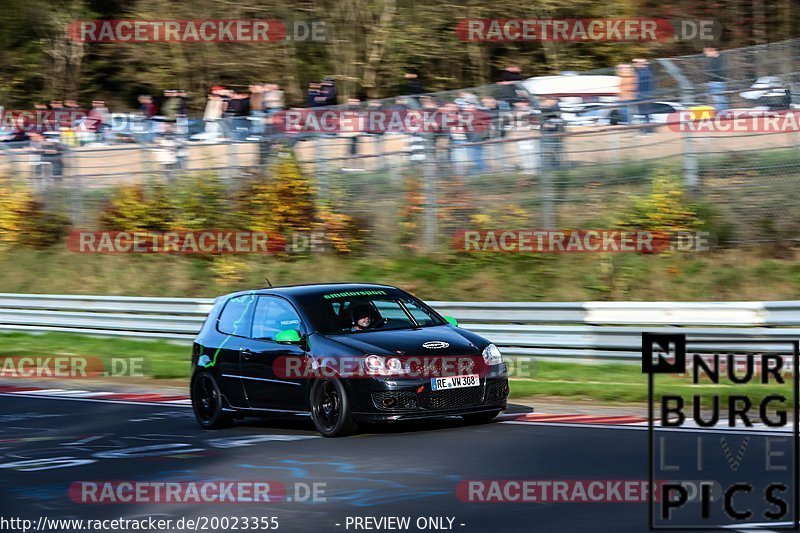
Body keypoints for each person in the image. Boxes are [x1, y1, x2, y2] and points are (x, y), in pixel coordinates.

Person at [633, 58, 655, 133]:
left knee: (646, 113)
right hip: (642, 95)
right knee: (644, 113)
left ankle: (647, 130)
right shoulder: (641, 72)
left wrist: (644, 63)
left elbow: (641, 84)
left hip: (645, 95)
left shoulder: (646, 72)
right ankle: (645, 129)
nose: (636, 65)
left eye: (638, 64)